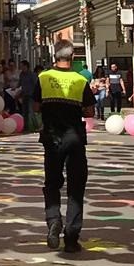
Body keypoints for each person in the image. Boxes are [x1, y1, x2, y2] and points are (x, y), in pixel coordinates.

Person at [38, 42, 96, 253]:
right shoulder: (80, 80)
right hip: (75, 139)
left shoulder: (43, 78)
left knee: (52, 183)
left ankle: (53, 220)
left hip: (52, 139)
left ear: (55, 56)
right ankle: (71, 238)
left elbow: (36, 105)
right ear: (73, 58)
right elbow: (89, 112)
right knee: (76, 187)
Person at [16, 59, 39, 132]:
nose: (21, 68)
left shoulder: (32, 75)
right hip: (24, 95)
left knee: (31, 111)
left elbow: (36, 84)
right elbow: (20, 83)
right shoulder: (21, 74)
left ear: (26, 66)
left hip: (31, 95)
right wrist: (16, 89)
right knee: (24, 111)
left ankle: (36, 127)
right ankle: (26, 127)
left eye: (22, 66)